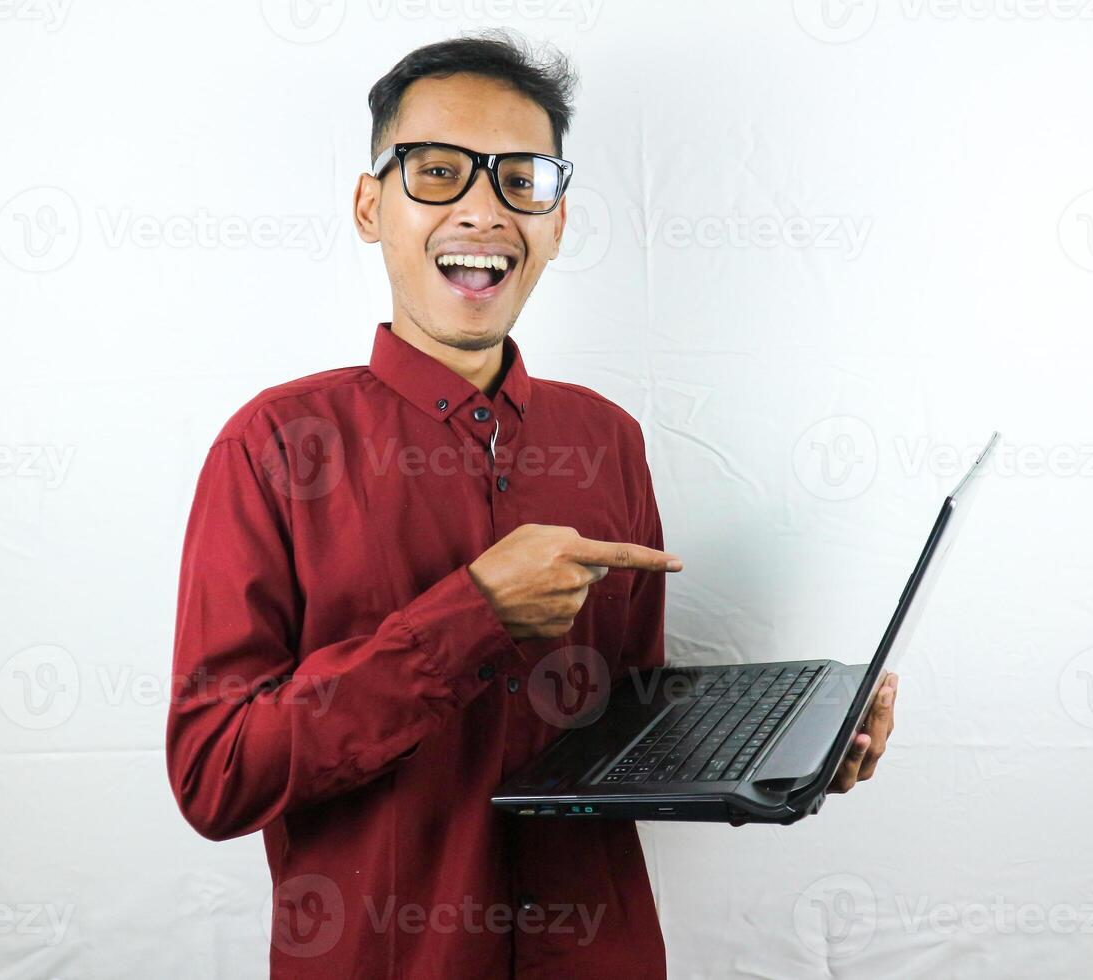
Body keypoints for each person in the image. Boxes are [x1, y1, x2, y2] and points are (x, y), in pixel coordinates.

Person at [165, 30, 899, 980]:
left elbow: (622, 736)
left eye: (521, 179)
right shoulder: (273, 445)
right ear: (368, 204)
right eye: (436, 172)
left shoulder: (605, 440)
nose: (482, 208)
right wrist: (469, 616)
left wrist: (796, 750)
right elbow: (215, 775)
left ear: (555, 221)